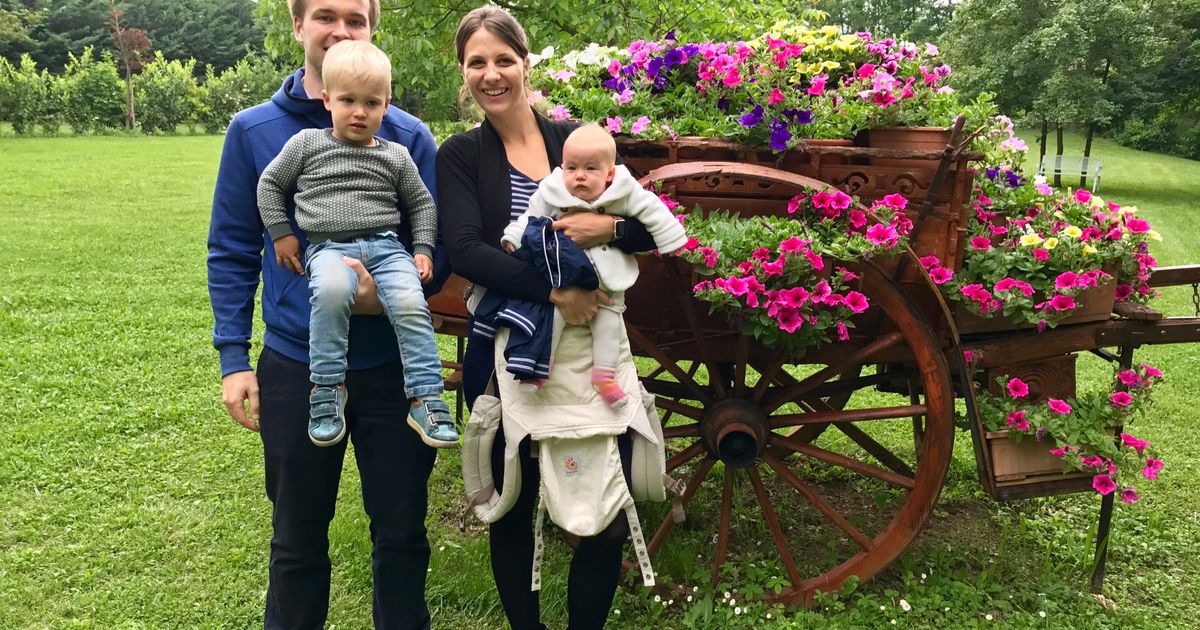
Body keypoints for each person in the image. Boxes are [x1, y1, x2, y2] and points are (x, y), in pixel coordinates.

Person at [207, 0, 442, 627]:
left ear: (372, 29)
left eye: (355, 19)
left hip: (392, 370)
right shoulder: (255, 131)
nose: (340, 29)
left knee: (402, 534)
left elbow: (436, 248)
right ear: (297, 25)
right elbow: (232, 247)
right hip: (296, 366)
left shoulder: (408, 137)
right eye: (325, 15)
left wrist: (384, 294)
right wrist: (234, 359)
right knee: (296, 537)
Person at [437, 6, 658, 629]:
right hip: (508, 347)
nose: (491, 74)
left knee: (604, 502)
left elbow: (645, 224)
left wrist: (607, 228)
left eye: (503, 59)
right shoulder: (461, 155)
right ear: (464, 72)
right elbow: (467, 249)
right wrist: (557, 292)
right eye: (477, 62)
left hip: (592, 353)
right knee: (514, 500)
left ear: (525, 63)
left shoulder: (575, 143)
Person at [257, 39, 457, 449]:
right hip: (328, 248)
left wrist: (422, 249)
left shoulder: (397, 155)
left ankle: (425, 397)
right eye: (348, 100)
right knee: (331, 293)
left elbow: (422, 203)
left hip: (387, 249)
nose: (359, 112)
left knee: (410, 301)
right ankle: (327, 389)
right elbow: (270, 184)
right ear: (327, 100)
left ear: (387, 105)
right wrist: (281, 232)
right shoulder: (307, 145)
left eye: (371, 103)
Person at [501, 124, 687, 407]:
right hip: (565, 277)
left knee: (608, 326)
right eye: (571, 168)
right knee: (552, 320)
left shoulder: (624, 191)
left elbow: (653, 210)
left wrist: (671, 239)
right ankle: (540, 368)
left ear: (609, 173)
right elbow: (530, 217)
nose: (579, 176)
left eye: (590, 169)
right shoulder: (552, 190)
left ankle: (604, 376)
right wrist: (514, 237)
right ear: (561, 168)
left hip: (608, 280)